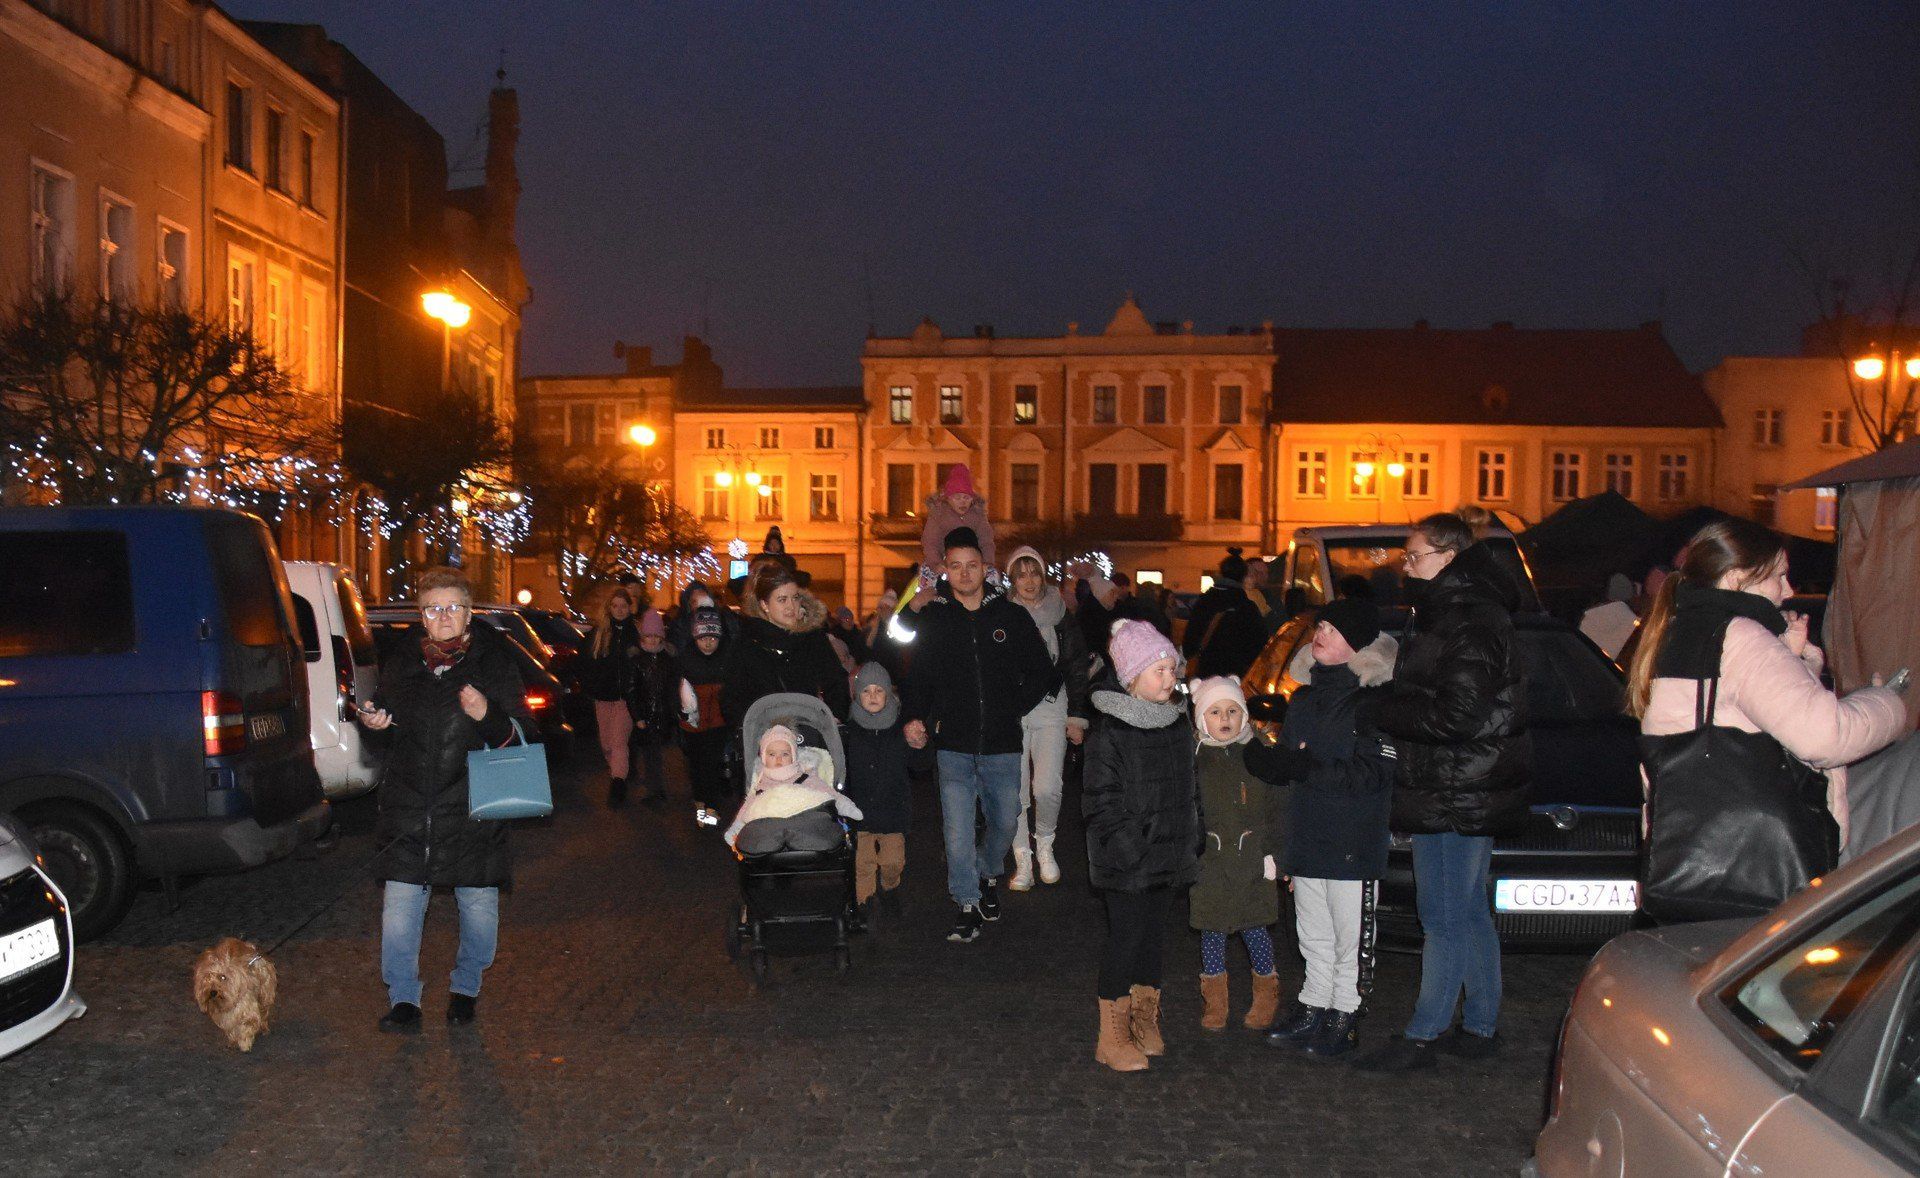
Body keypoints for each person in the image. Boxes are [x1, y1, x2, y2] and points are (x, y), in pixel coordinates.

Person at [1628, 519, 1904, 913]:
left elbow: (1733, 709)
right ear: (1738, 579)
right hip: (1757, 866)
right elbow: (1825, 737)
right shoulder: (1742, 636)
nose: (1789, 591)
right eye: (1779, 576)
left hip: (1688, 855)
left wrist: (1793, 661)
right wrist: (1888, 701)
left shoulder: (1684, 629)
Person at [1357, 513, 1531, 1072]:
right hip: (1450, 783)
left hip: (1461, 784)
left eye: (1414, 557)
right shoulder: (1452, 613)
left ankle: (1424, 1033)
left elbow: (1456, 715)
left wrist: (1382, 708)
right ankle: (1480, 1024)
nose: (1405, 568)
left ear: (1449, 558)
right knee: (1466, 911)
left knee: (1445, 915)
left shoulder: (1470, 620)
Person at [358, 566, 532, 1033]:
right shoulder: (401, 663)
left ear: (470, 613)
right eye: (434, 609)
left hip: (473, 810)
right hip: (410, 808)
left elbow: (522, 741)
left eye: (453, 607)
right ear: (421, 615)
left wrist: (488, 715)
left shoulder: (493, 662)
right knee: (399, 910)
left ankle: (465, 988)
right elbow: (384, 732)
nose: (444, 617)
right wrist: (373, 724)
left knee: (478, 909)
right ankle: (403, 1000)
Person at [901, 527, 1060, 944]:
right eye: (956, 566)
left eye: (972, 565)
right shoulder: (935, 617)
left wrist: (1013, 707)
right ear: (945, 570)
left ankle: (989, 874)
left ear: (986, 569)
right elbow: (918, 674)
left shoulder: (1010, 616)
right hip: (952, 743)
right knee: (956, 831)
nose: (965, 573)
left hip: (1002, 744)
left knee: (1005, 823)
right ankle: (967, 903)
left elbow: (1044, 671)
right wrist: (915, 716)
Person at [1262, 598, 1399, 1059]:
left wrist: (1307, 765)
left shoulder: (1375, 702)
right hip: (1307, 834)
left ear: (1356, 644)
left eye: (1332, 629)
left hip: (1351, 840)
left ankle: (1346, 1011)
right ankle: (1314, 1002)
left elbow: (1374, 774)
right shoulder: (1301, 699)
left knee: (1350, 936)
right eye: (1319, 626)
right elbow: (1289, 765)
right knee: (1312, 932)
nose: (1319, 634)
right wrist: (1274, 764)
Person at [1083, 618, 1198, 1073]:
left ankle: (1144, 1021)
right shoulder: (1110, 731)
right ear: (1132, 677)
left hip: (1169, 856)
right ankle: (1110, 1036)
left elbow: (1188, 786)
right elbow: (1100, 802)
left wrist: (1193, 833)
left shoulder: (1175, 722)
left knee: (1153, 941)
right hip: (1127, 862)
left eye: (1172, 669)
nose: (1170, 679)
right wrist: (1132, 849)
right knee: (1125, 941)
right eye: (1159, 671)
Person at [1187, 676, 1285, 1036]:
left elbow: (1276, 804)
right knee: (1212, 930)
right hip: (1210, 862)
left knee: (1254, 928)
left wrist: (1274, 851)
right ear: (1202, 720)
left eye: (1232, 710)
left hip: (1252, 860)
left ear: (1244, 716)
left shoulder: (1258, 752)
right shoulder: (1195, 757)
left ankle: (1266, 993)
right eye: (1215, 711)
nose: (1225, 718)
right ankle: (1215, 1000)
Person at [1003, 546, 1092, 891]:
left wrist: (1077, 716)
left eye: (1034, 572)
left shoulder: (1061, 613)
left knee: (1047, 787)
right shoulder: (1002, 614)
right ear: (1012, 579)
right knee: (1015, 790)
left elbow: (1077, 665)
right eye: (1021, 574)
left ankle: (1045, 843)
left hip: (1052, 704)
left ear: (1043, 576)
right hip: (1012, 709)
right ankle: (1021, 855)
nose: (1028, 580)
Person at [842, 663, 931, 923]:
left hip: (893, 811)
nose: (872, 696)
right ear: (857, 695)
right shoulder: (850, 732)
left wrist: (919, 745)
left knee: (893, 862)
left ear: (889, 695)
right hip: (860, 814)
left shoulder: (900, 730)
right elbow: (839, 769)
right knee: (863, 865)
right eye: (866, 691)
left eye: (878, 690)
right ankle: (864, 904)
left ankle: (890, 888)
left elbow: (920, 766)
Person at [723, 563, 852, 727]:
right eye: (782, 600)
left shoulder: (812, 638)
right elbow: (732, 699)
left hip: (809, 736)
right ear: (764, 604)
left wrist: (833, 718)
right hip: (765, 742)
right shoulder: (747, 644)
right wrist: (754, 729)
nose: (791, 606)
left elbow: (836, 682)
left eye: (795, 597)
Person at [724, 725, 862, 851]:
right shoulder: (761, 783)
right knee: (756, 818)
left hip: (804, 823)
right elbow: (747, 808)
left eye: (785, 754)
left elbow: (830, 794)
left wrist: (847, 807)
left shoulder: (804, 777)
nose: (779, 759)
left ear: (793, 756)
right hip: (770, 827)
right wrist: (735, 829)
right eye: (772, 754)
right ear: (764, 757)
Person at [677, 605, 736, 828]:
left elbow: (731, 692)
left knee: (712, 765)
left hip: (718, 724)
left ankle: (710, 808)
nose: (708, 642)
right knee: (696, 766)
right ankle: (701, 803)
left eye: (713, 637)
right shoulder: (686, 659)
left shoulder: (725, 660)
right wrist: (680, 710)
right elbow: (675, 689)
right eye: (703, 637)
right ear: (695, 637)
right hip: (693, 725)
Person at [583, 585, 641, 805]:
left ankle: (618, 782)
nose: (619, 610)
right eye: (615, 606)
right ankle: (617, 772)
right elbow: (588, 663)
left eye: (623, 606)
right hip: (603, 697)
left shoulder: (634, 634)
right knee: (606, 743)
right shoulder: (600, 634)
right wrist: (592, 685)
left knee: (618, 742)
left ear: (629, 608)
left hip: (625, 698)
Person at [1182, 548, 1269, 679]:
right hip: (1235, 678)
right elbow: (1259, 645)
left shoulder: (1204, 603)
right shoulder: (1247, 608)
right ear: (1243, 577)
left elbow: (1189, 643)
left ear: (1221, 573)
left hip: (1204, 676)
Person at [626, 609, 679, 807]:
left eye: (657, 636)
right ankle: (655, 790)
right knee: (650, 755)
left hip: (663, 714)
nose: (653, 641)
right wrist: (637, 716)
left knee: (656, 755)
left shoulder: (668, 659)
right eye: (649, 636)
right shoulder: (637, 661)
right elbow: (631, 690)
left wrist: (674, 710)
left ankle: (657, 790)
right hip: (646, 716)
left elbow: (673, 686)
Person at [918, 465, 996, 580]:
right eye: (957, 498)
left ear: (972, 499)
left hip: (972, 564)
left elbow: (986, 542)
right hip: (944, 565)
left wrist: (987, 562)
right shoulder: (938, 516)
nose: (962, 502)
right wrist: (936, 563)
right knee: (930, 586)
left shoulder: (978, 516)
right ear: (948, 499)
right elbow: (931, 542)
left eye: (966, 498)